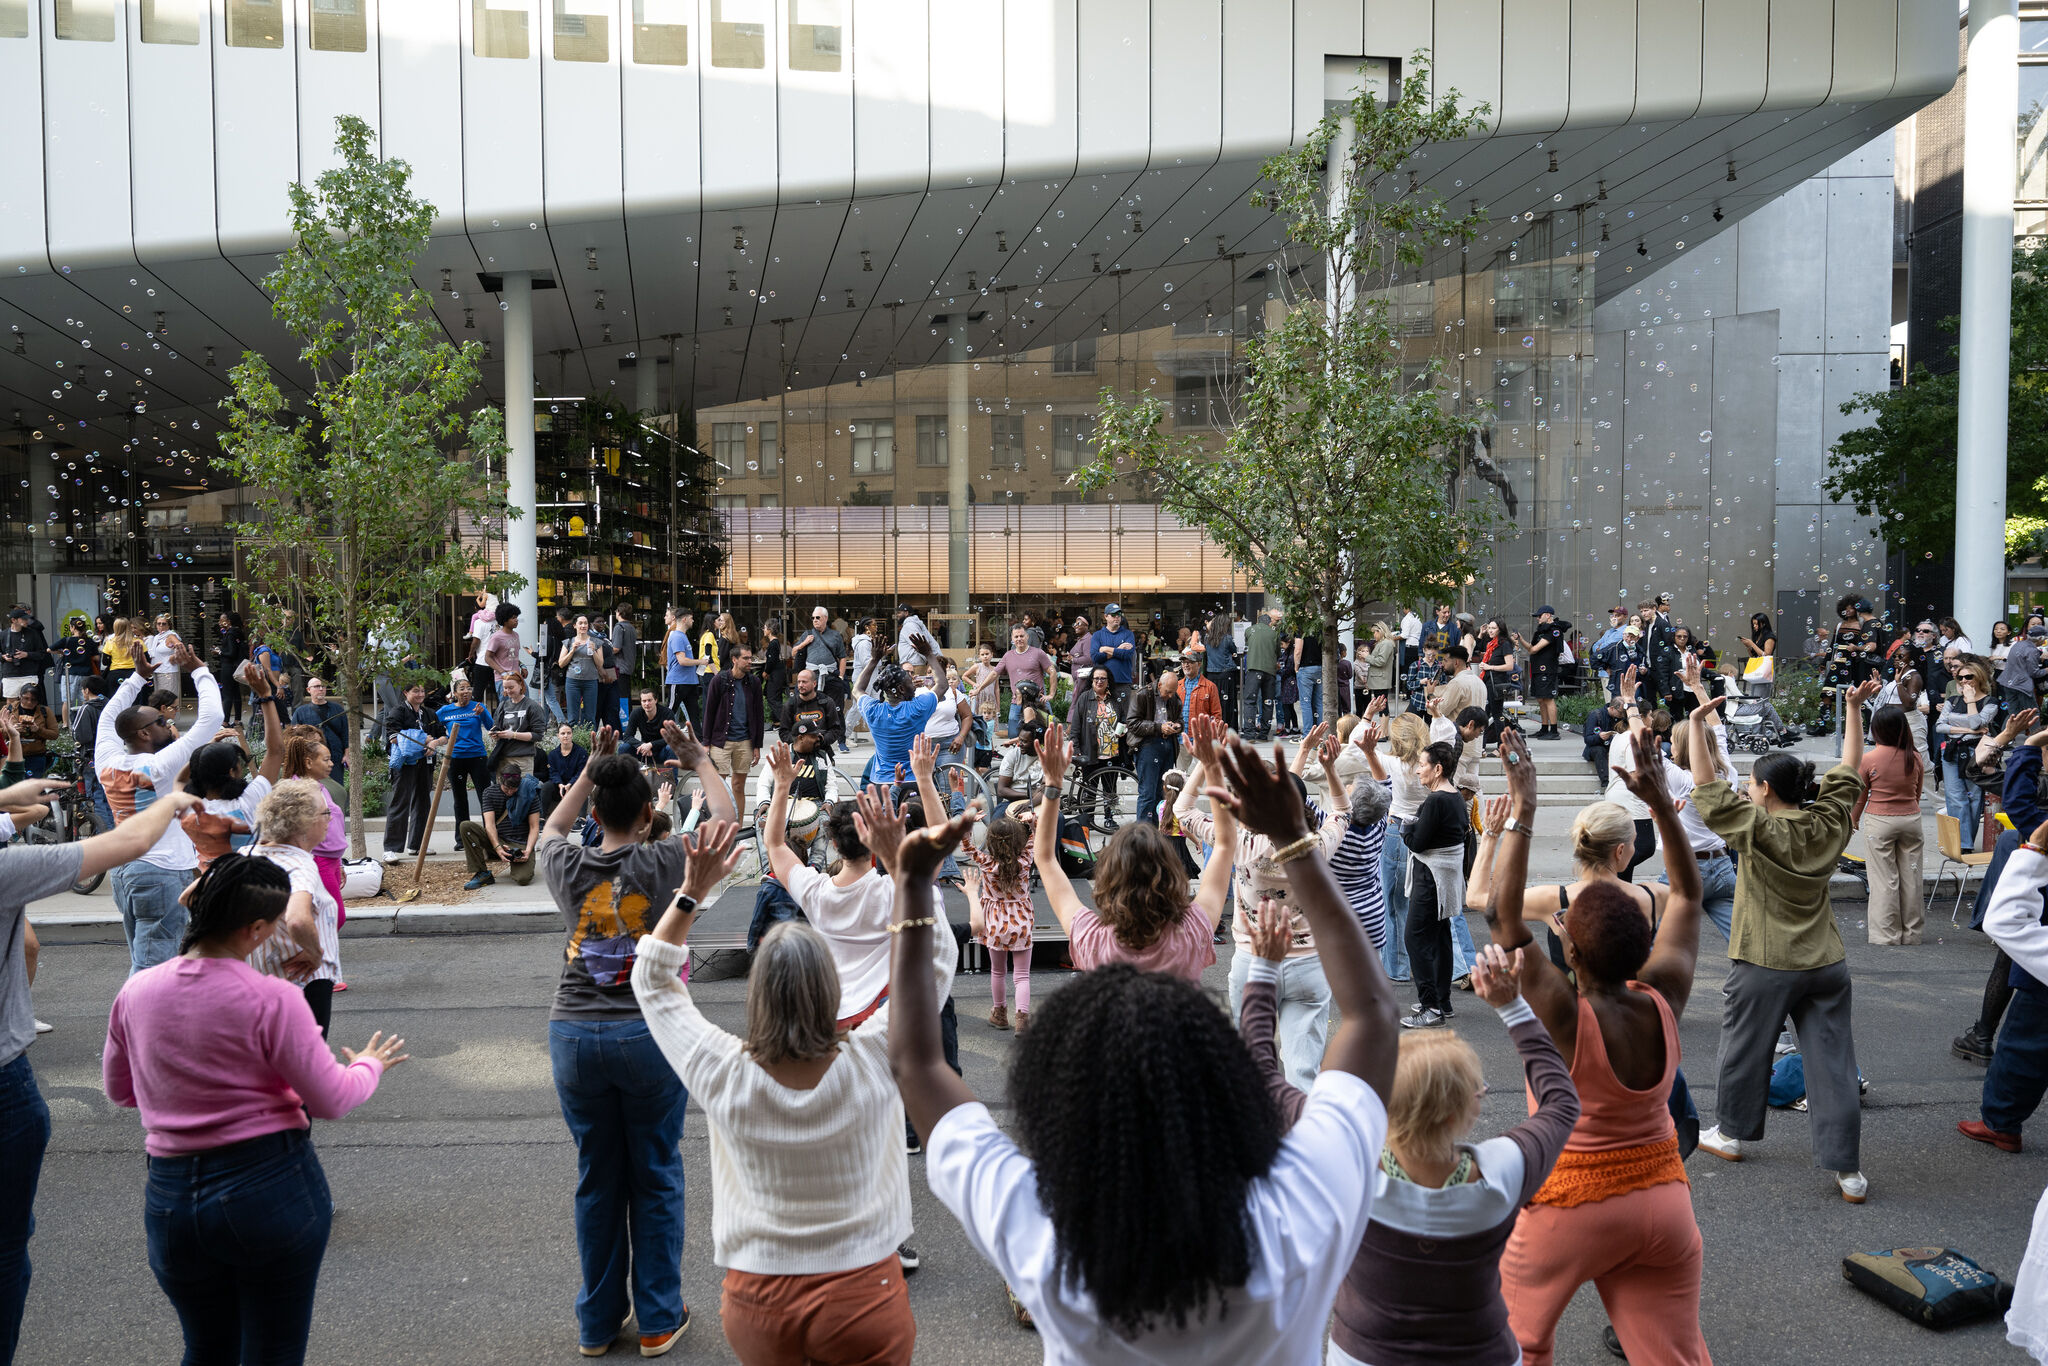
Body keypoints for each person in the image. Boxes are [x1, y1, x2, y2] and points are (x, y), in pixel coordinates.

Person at [891, 730, 1399, 1361]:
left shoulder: (1049, 1246)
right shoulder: (1299, 1214)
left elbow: (916, 1065)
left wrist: (914, 886)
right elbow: (1374, 1015)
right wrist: (1291, 836)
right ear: (1220, 1070)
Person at [634, 818, 935, 1365]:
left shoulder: (723, 1071)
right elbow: (933, 963)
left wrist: (690, 893)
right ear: (830, 988)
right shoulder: (873, 1057)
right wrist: (903, 872)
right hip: (863, 1291)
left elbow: (652, 981)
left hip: (759, 1297)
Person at [1238, 903, 1579, 1366]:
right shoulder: (1500, 1175)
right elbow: (1561, 1100)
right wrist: (1513, 1007)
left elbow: (1260, 1074)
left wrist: (1263, 969)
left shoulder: (1348, 1167)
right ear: (1470, 1106)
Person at [101, 852, 404, 1364]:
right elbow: (330, 1099)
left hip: (171, 1199)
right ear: (256, 926)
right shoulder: (273, 999)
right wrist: (369, 1065)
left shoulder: (136, 991)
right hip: (267, 1188)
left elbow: (122, 1090)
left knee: (206, 1347)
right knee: (273, 1350)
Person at [1479, 723, 1712, 1365]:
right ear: (1645, 944)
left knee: (1515, 1345)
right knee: (1673, 1353)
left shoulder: (1564, 1013)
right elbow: (1689, 895)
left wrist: (1522, 810)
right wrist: (1662, 801)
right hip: (1663, 1202)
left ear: (1570, 950)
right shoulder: (1665, 993)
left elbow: (1501, 922)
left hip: (1569, 1202)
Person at [537, 722, 732, 1358]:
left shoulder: (568, 863)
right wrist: (700, 758)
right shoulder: (663, 859)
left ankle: (597, 1324)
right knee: (654, 1172)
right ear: (651, 813)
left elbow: (551, 831)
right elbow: (725, 823)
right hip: (649, 1034)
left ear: (597, 810)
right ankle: (656, 1317)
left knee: (597, 1176)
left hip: (573, 1033)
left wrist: (593, 769)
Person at [0, 771, 206, 1360]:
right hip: (3, 1087)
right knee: (6, 1249)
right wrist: (167, 799)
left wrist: (12, 797)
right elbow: (127, 843)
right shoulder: (7, 871)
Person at [1693, 679, 1879, 1202]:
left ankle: (1730, 1133)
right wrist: (1850, 708)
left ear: (1766, 791)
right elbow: (1849, 766)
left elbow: (1706, 792)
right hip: (1826, 961)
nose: (1749, 789)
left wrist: (1693, 725)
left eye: (1752, 784)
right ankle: (1848, 1173)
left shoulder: (1757, 828)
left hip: (1765, 961)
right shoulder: (1830, 820)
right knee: (1834, 1064)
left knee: (1744, 1052)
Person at [98, 642, 224, 973]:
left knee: (146, 962)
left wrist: (137, 678)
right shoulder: (159, 767)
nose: (167, 723)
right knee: (154, 969)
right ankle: (141, 1024)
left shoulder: (106, 759)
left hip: (125, 871)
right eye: (158, 721)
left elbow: (109, 716)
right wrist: (198, 668)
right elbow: (212, 718)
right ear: (143, 733)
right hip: (160, 872)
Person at [244, 779, 347, 1033]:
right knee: (305, 1062)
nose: (330, 819)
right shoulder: (300, 866)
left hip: (257, 979)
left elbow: (192, 897)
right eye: (326, 813)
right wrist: (314, 952)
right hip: (305, 980)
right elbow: (298, 919)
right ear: (304, 821)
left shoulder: (245, 856)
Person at [180, 664, 286, 874]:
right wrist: (265, 695)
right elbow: (276, 751)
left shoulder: (188, 808)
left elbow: (180, 781)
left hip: (207, 891)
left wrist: (205, 750)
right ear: (231, 772)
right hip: (247, 888)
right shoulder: (247, 801)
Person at [1402, 740, 1471, 1030]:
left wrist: (1405, 828)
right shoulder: (1454, 796)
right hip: (1447, 877)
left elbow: (1417, 841)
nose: (1418, 770)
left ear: (1438, 768)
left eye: (1422, 765)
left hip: (1430, 878)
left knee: (1415, 938)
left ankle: (1430, 1006)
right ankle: (1442, 1001)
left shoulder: (1436, 800)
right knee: (1441, 936)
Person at [1855, 703, 1927, 946]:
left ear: (1877, 729)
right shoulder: (1914, 756)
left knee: (1884, 879)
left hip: (1880, 821)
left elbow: (1861, 796)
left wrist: (1853, 819)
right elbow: (1917, 793)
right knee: (1912, 877)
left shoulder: (1870, 758)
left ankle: (1886, 935)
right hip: (1911, 820)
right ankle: (1912, 933)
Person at [853, 632, 942, 787]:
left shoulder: (873, 711)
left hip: (881, 783)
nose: (914, 686)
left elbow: (857, 689)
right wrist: (928, 654)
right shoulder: (917, 708)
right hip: (915, 781)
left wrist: (874, 659)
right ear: (901, 689)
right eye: (910, 682)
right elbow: (942, 685)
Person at [1940, 657, 2000, 853]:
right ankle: (1962, 843)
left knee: (1974, 798)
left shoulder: (1990, 702)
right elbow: (1940, 726)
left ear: (1979, 677)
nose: (1964, 681)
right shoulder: (1952, 700)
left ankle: (1965, 842)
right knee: (1955, 797)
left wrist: (1972, 701)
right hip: (1952, 752)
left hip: (1977, 754)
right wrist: (1971, 731)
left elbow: (1976, 721)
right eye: (1960, 678)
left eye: (1968, 677)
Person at [380, 681, 442, 863]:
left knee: (423, 802)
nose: (421, 694)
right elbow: (394, 738)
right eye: (416, 691)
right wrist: (423, 740)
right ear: (406, 692)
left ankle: (416, 844)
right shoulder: (398, 712)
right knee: (401, 802)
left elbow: (442, 734)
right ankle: (390, 848)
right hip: (405, 765)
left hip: (426, 763)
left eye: (423, 691)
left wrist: (434, 743)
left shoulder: (429, 713)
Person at [461, 763, 544, 890]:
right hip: (498, 840)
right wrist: (498, 847)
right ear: (500, 780)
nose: (510, 792)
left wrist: (528, 850)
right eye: (507, 789)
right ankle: (482, 873)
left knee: (523, 879)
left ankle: (518, 861)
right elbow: (490, 825)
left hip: (519, 842)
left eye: (514, 789)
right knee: (466, 827)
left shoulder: (529, 793)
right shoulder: (489, 793)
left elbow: (534, 827)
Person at [1121, 665, 1182, 826]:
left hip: (1168, 745)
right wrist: (1158, 727)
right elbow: (1132, 723)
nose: (1169, 695)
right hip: (1148, 745)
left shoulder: (1174, 698)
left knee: (1163, 793)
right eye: (1167, 691)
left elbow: (1181, 721)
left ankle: (1159, 829)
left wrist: (1176, 727)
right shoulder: (1143, 694)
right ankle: (1142, 833)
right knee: (1148, 793)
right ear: (1159, 685)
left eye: (1172, 692)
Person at [434, 675, 495, 828]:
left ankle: (490, 833)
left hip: (478, 758)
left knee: (485, 797)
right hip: (455, 759)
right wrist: (437, 740)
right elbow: (434, 728)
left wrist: (482, 713)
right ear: (454, 693)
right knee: (460, 799)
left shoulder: (478, 707)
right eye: (462, 689)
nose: (466, 691)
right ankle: (462, 837)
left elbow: (491, 728)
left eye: (469, 688)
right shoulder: (444, 711)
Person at [994, 625, 1057, 739]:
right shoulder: (1008, 656)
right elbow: (994, 673)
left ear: (1027, 636)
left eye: (1022, 636)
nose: (1019, 639)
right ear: (1012, 639)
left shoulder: (1038, 653)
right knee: (1013, 734)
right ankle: (1020, 754)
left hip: (1039, 700)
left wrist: (1051, 694)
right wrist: (979, 688)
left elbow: (1052, 671)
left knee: (1048, 733)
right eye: (1016, 636)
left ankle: (1043, 754)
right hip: (1017, 701)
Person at [290, 675, 349, 785]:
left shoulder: (338, 709)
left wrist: (347, 755)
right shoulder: (300, 712)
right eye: (317, 686)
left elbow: (345, 734)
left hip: (335, 759)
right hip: (312, 760)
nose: (321, 689)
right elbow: (294, 737)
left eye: (323, 686)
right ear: (309, 690)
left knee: (335, 790)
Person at [489, 672, 547, 778]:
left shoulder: (532, 706)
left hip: (523, 759)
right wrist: (495, 733)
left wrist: (513, 735)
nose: (508, 691)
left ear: (521, 685)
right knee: (503, 793)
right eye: (505, 688)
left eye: (511, 687)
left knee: (523, 791)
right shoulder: (503, 705)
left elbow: (538, 735)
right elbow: (496, 726)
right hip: (503, 758)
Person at [775, 669, 845, 751]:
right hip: (797, 751)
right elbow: (784, 731)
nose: (801, 685)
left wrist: (821, 740)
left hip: (822, 749)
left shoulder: (826, 702)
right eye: (799, 682)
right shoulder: (790, 704)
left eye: (804, 682)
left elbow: (835, 729)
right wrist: (799, 742)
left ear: (814, 683)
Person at [0, 687, 56, 785]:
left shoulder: (45, 711)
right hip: (13, 756)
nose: (29, 702)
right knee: (13, 788)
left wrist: (38, 730)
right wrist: (9, 730)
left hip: (35, 756)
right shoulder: (7, 710)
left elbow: (54, 734)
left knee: (31, 789)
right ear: (20, 697)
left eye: (33, 700)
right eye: (26, 698)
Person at [559, 615, 606, 728]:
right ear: (575, 625)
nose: (583, 626)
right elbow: (561, 663)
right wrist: (572, 650)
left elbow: (600, 664)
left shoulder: (596, 642)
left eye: (585, 623)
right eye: (580, 623)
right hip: (572, 681)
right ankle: (573, 742)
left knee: (590, 716)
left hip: (590, 681)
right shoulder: (569, 642)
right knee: (573, 716)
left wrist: (593, 650)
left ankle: (589, 742)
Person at [1241, 608, 1280, 739]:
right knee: (1268, 702)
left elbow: (1247, 644)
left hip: (1253, 669)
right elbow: (1278, 652)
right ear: (1269, 623)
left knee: (1250, 701)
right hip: (1270, 671)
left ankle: (1249, 733)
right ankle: (1264, 734)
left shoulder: (1249, 630)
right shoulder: (1275, 633)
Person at [54, 616, 98, 728]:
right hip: (85, 674)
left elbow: (49, 649)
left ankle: (65, 724)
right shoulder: (89, 641)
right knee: (85, 699)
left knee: (67, 700)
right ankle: (83, 723)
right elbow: (97, 658)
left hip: (69, 673)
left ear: (73, 627)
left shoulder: (67, 640)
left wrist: (62, 652)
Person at [539, 723, 590, 819]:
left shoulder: (581, 752)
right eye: (563, 733)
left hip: (574, 787)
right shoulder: (552, 754)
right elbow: (553, 773)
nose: (566, 736)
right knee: (546, 786)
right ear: (558, 736)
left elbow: (581, 772)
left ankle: (582, 819)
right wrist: (560, 784)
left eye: (568, 733)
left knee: (582, 785)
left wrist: (570, 784)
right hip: (559, 789)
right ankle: (542, 818)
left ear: (572, 734)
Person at [462, 591, 499, 704]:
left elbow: (475, 641)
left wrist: (471, 653)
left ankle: (475, 717)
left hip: (482, 662)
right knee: (498, 693)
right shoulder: (499, 622)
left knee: (477, 692)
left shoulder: (479, 622)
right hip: (497, 663)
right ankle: (499, 718)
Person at [1583, 694, 1627, 784]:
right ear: (1611, 708)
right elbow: (1588, 739)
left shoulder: (1621, 719)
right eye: (1620, 712)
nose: (1622, 715)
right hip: (1596, 747)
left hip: (1613, 746)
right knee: (1599, 750)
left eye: (1624, 713)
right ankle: (1606, 781)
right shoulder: (1595, 715)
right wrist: (1599, 737)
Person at [2005, 624, 2048, 715]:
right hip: (2022, 685)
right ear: (2040, 638)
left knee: (2014, 713)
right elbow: (2033, 673)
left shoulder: (2020, 645)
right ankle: (2035, 729)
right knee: (2032, 713)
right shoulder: (2032, 650)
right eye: (2044, 638)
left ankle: (2008, 729)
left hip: (2010, 682)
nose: (2045, 640)